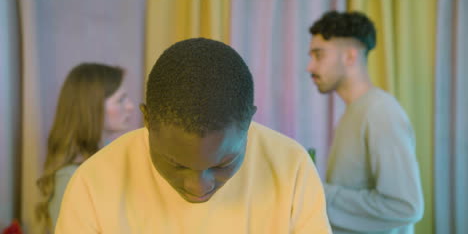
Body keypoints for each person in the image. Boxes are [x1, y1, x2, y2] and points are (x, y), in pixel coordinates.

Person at [55, 38, 332, 233]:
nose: (198, 188)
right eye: (177, 164)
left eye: (221, 165)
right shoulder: (94, 180)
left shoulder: (291, 166)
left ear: (248, 122)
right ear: (148, 120)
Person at [307, 11, 424, 234]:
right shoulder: (356, 112)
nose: (310, 67)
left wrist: (317, 193)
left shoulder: (380, 112)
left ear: (350, 56)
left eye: (318, 55)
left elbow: (406, 207)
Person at [36, 63, 135, 232]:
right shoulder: (70, 179)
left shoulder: (107, 160)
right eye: (120, 99)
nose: (130, 106)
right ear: (91, 107)